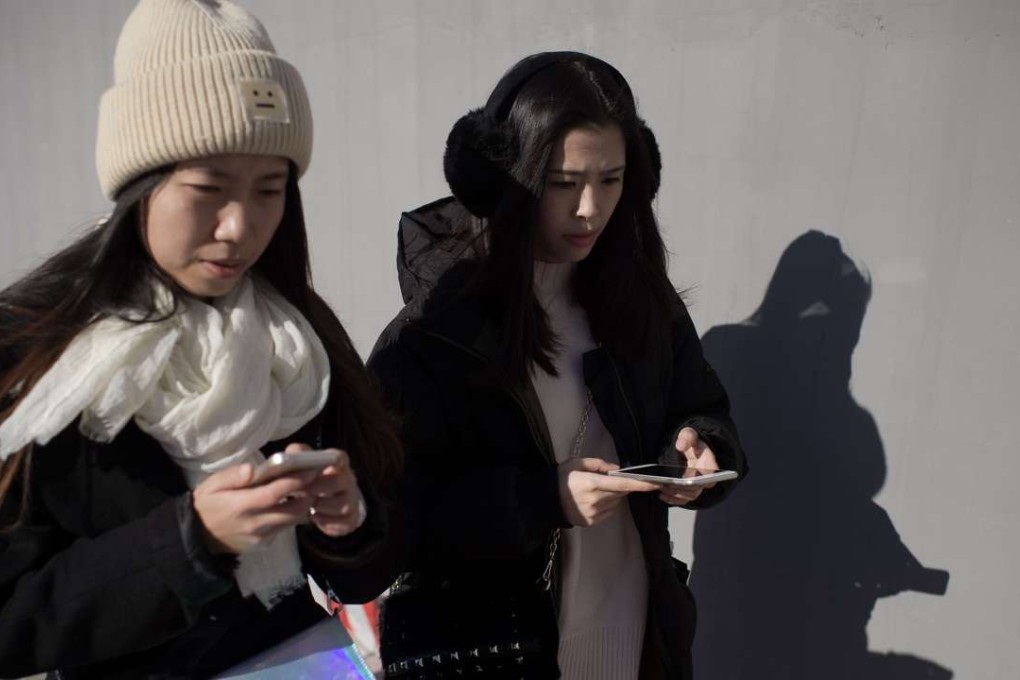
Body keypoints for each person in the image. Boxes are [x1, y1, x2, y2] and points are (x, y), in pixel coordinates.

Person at [0, 1, 401, 678]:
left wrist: (349, 526)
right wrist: (191, 541)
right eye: (208, 188)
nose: (240, 226)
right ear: (140, 187)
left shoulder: (299, 337)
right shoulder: (38, 353)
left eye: (271, 190)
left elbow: (369, 570)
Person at [369, 52, 747, 679]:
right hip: (499, 652)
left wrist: (701, 447)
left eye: (612, 179)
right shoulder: (435, 335)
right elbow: (397, 520)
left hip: (634, 629)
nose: (590, 209)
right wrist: (545, 498)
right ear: (510, 180)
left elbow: (700, 405)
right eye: (564, 183)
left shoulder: (643, 303)